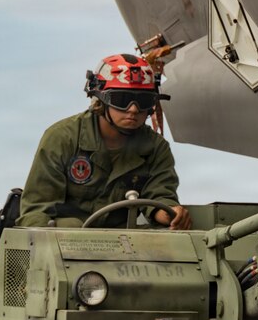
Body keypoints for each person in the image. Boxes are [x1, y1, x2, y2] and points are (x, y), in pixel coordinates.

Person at [16, 53, 192, 230]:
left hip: (122, 245)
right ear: (101, 100)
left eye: (143, 101)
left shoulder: (155, 147)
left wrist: (170, 213)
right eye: (122, 99)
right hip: (62, 243)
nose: (133, 109)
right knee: (72, 226)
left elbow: (160, 194)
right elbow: (37, 212)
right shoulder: (62, 138)